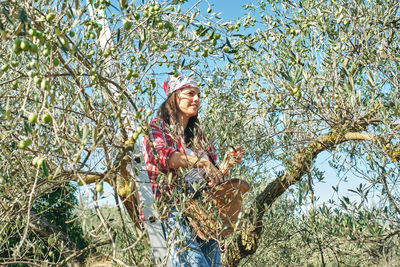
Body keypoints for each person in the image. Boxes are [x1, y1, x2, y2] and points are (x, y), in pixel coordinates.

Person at [142, 75, 243, 267]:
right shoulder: (158, 126)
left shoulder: (200, 137)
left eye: (198, 95)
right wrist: (203, 163)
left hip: (203, 210)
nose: (196, 99)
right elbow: (163, 157)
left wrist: (227, 164)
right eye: (190, 94)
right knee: (195, 263)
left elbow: (212, 178)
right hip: (173, 205)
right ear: (174, 97)